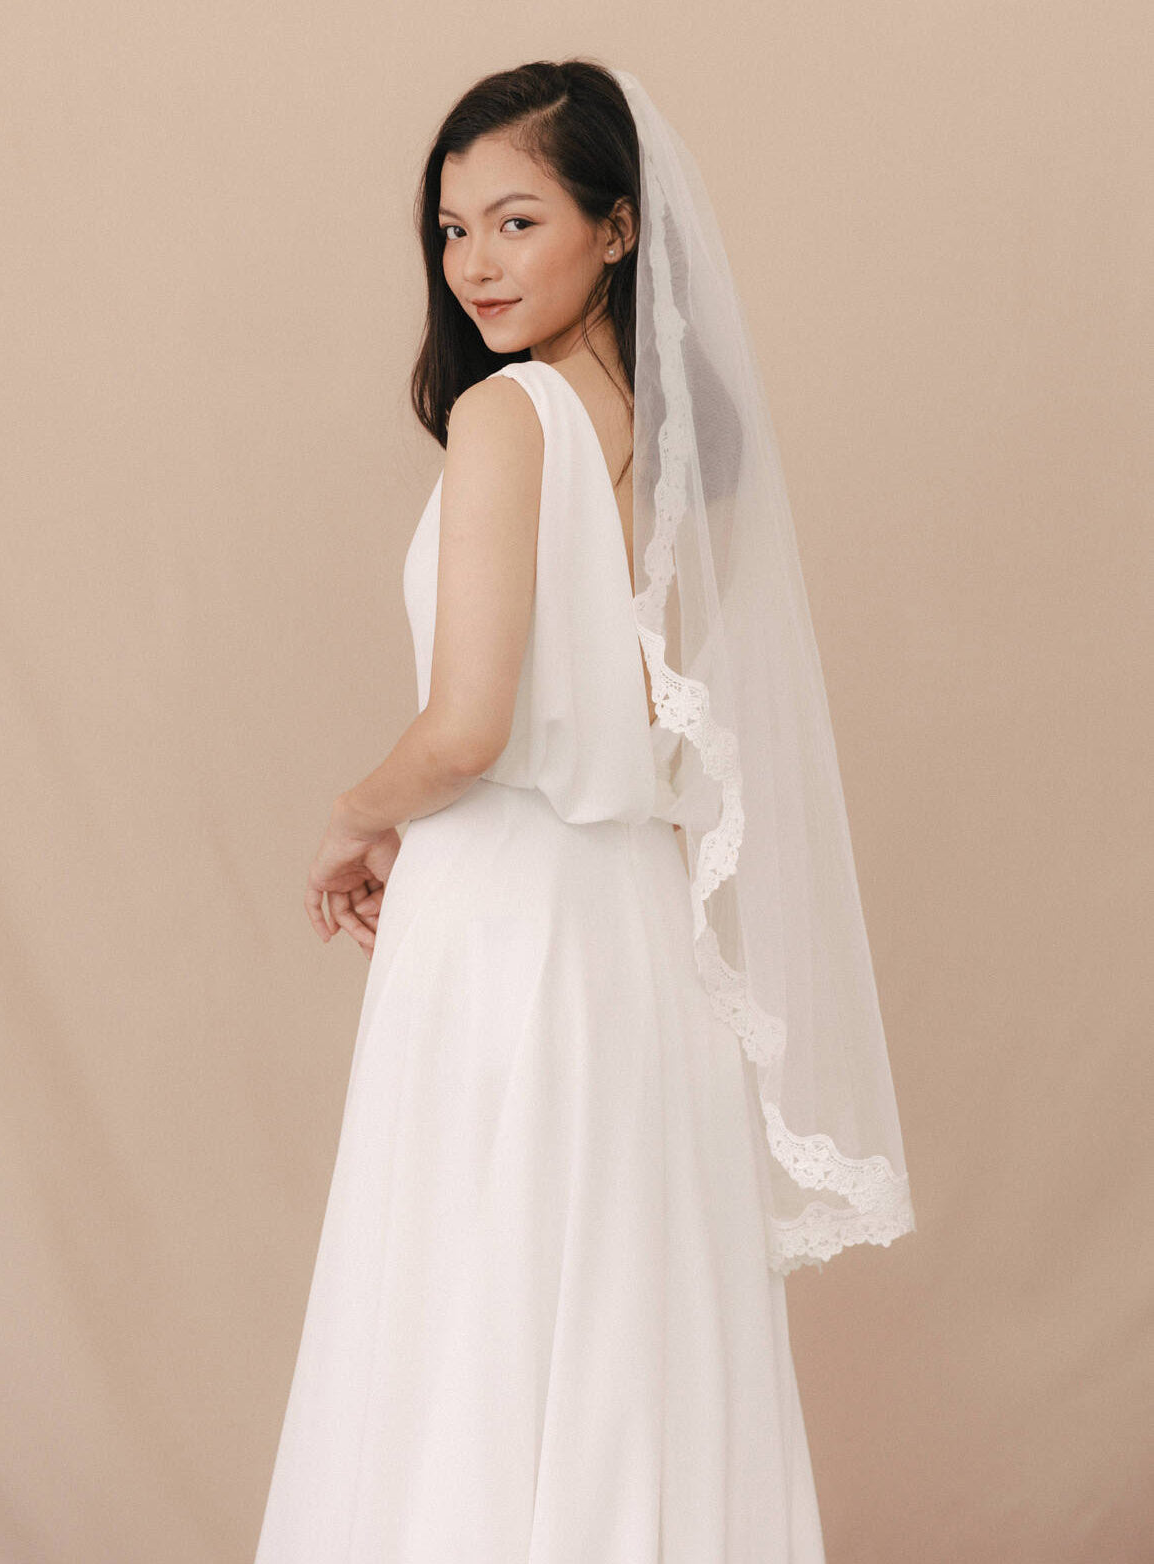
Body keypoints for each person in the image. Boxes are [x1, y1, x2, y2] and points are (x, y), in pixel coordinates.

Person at [255, 58, 914, 1563]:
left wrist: (352, 815)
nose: (474, 264)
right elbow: (612, 699)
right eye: (450, 230)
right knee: (622, 1343)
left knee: (474, 1331)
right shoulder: (650, 436)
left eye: (515, 220)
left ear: (616, 229)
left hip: (505, 942)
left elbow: (472, 725)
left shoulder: (511, 419)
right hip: (632, 935)